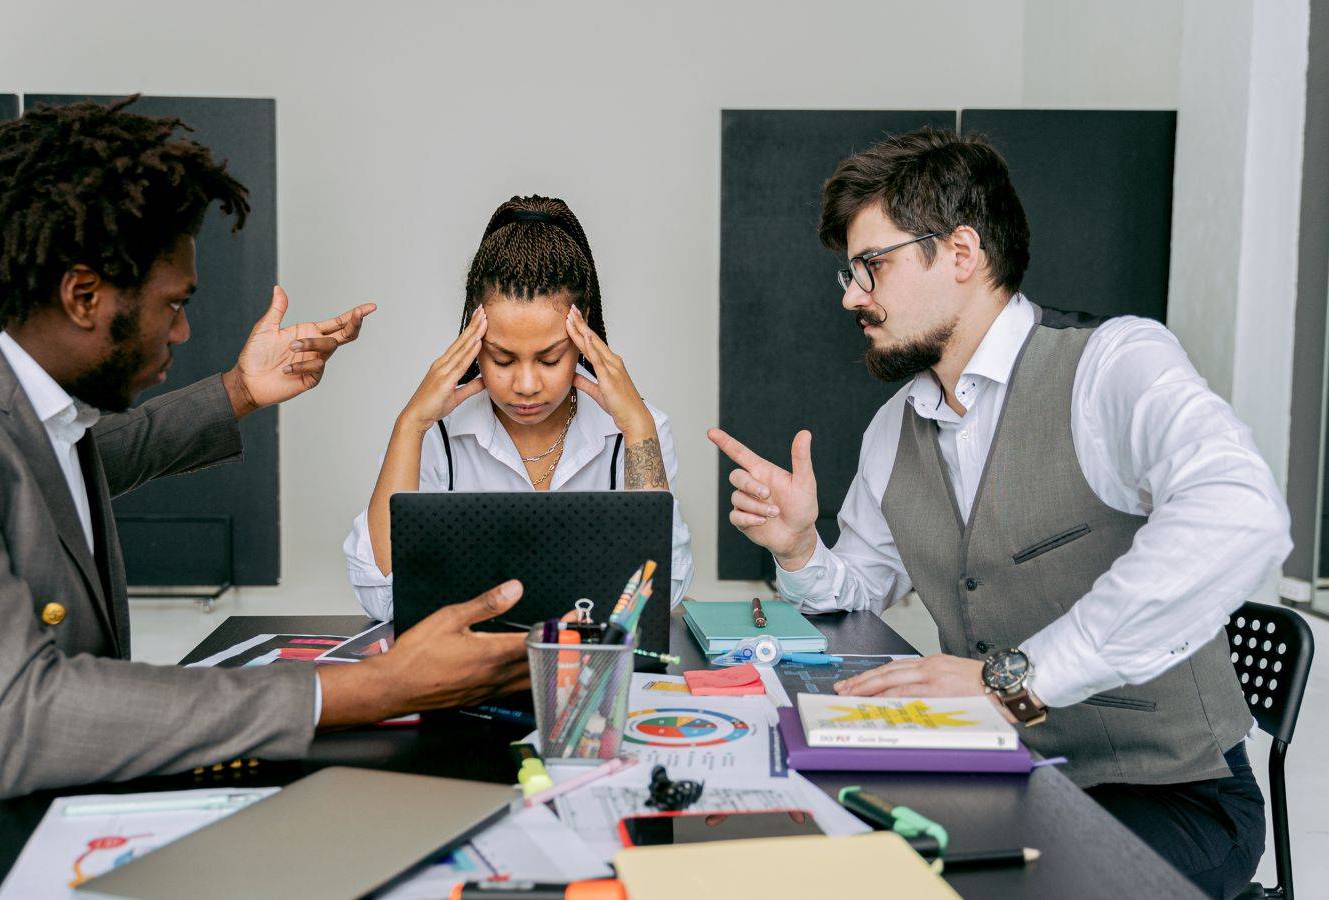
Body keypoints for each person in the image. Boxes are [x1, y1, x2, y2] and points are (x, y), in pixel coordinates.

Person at [0, 98, 529, 898]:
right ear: (85, 296)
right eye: (175, 305)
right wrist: (374, 687)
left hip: (56, 821)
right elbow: (16, 720)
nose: (183, 332)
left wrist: (239, 391)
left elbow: (80, 465)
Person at [709, 128, 1286, 899]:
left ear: (960, 252)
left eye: (869, 267)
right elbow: (861, 590)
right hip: (999, 771)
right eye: (848, 274)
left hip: (1171, 796)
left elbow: (1241, 510)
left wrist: (1014, 680)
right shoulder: (896, 427)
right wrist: (801, 549)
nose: (852, 295)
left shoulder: (1112, 365)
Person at [344, 196, 694, 620]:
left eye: (550, 359)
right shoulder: (433, 432)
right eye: (502, 359)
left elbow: (657, 595)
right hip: (468, 679)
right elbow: (383, 596)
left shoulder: (639, 429)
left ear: (584, 341)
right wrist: (410, 424)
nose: (526, 386)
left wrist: (637, 426)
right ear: (472, 346)